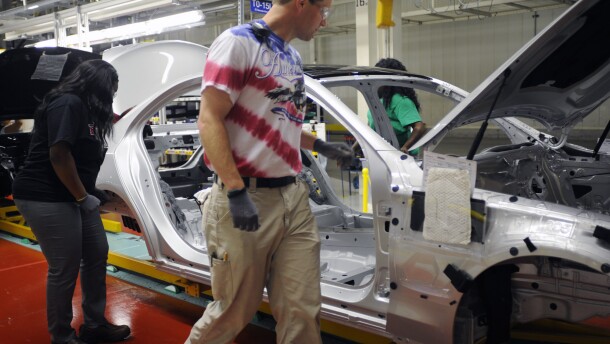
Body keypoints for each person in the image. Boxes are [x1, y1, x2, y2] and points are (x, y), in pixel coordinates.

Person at [185, 0, 353, 343]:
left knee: (302, 310)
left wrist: (320, 146)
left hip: (293, 198)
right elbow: (210, 118)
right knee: (233, 311)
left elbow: (279, 122)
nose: (324, 21)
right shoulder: (238, 43)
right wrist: (234, 190)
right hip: (246, 197)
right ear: (301, 3)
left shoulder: (292, 58)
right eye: (325, 11)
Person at [11, 60, 131, 344]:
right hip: (45, 194)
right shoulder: (68, 103)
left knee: (96, 253)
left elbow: (85, 155)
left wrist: (89, 193)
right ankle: (62, 335)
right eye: (111, 90)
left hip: (75, 196)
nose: (112, 95)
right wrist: (81, 196)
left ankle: (94, 324)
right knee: (64, 266)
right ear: (98, 85)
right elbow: (59, 155)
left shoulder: (89, 112)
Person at [368, 57, 425, 155]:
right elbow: (369, 129)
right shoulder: (378, 101)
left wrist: (405, 147)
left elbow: (419, 127)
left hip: (401, 157)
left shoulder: (400, 101)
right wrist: (353, 150)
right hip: (383, 153)